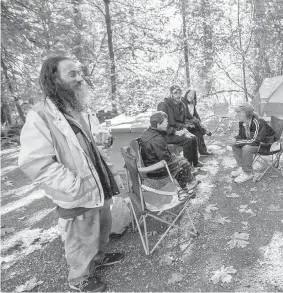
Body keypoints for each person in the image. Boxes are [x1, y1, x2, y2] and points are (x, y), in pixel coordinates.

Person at [18, 56, 125, 292]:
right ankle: (79, 278)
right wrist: (72, 184)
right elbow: (35, 162)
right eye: (72, 74)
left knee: (101, 224)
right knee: (80, 234)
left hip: (98, 182)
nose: (79, 78)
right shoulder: (40, 115)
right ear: (54, 79)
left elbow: (93, 137)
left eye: (79, 73)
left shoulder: (78, 107)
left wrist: (103, 135)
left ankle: (97, 259)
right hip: (75, 190)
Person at [139, 111, 198, 193]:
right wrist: (174, 157)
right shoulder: (157, 139)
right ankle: (186, 187)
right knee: (184, 162)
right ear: (158, 125)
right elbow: (166, 160)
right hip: (157, 169)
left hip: (150, 162)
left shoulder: (147, 132)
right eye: (165, 122)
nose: (167, 123)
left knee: (178, 159)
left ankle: (188, 179)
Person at [157, 85, 204, 168]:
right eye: (175, 93)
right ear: (171, 94)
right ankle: (187, 166)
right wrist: (175, 131)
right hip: (166, 134)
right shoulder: (163, 105)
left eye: (179, 93)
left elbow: (179, 122)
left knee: (193, 137)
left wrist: (184, 127)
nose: (178, 95)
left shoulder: (181, 104)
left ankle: (195, 162)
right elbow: (162, 125)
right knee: (188, 140)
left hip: (176, 130)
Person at [229, 102, 275, 183]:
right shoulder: (242, 122)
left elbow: (255, 141)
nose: (237, 114)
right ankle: (242, 168)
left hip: (266, 145)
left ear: (246, 113)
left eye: (239, 112)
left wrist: (237, 141)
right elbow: (242, 136)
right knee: (235, 145)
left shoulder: (258, 122)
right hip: (257, 143)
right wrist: (235, 139)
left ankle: (248, 173)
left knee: (247, 148)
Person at [181, 89, 213, 156]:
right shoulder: (183, 101)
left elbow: (195, 114)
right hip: (184, 123)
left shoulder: (192, 103)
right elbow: (186, 114)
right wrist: (196, 120)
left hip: (192, 122)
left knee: (198, 132)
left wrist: (200, 122)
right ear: (186, 94)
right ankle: (205, 131)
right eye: (189, 94)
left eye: (193, 95)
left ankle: (203, 151)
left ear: (194, 96)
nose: (191, 96)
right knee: (196, 123)